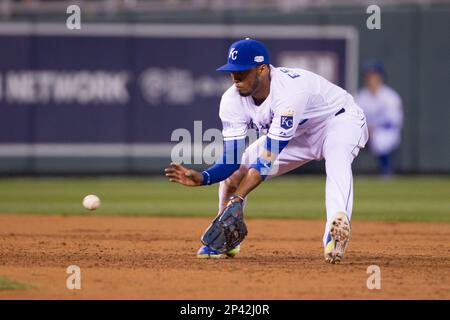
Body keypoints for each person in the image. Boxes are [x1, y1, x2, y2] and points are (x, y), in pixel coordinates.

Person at [165, 38, 368, 264]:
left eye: (242, 72)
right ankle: (225, 236)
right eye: (232, 72)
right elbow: (231, 160)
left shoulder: (289, 93)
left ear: (262, 69)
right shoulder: (231, 100)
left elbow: (266, 161)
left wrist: (238, 198)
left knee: (337, 161)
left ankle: (335, 231)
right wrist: (204, 177)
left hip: (338, 120)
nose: (235, 79)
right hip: (298, 134)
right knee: (236, 175)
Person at [355, 60, 403, 176]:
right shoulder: (361, 96)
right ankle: (347, 172)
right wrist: (366, 128)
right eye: (368, 76)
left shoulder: (390, 96)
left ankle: (386, 172)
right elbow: (353, 117)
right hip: (364, 130)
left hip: (386, 131)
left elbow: (394, 121)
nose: (370, 79)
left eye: (373, 75)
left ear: (380, 77)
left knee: (380, 138)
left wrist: (374, 128)